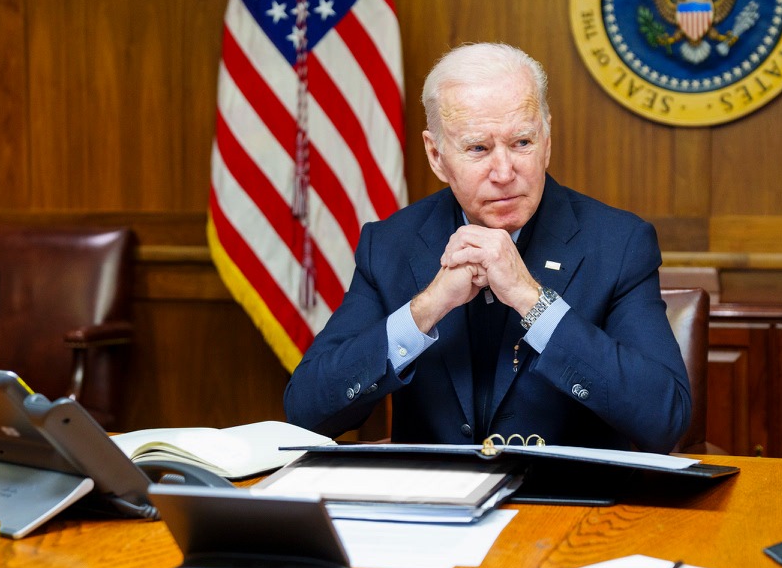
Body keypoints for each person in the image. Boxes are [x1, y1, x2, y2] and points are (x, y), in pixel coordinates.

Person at [283, 42, 691, 453]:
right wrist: (426, 308)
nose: (504, 172)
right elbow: (306, 412)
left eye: (522, 143)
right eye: (478, 148)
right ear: (436, 155)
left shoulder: (618, 244)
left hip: (569, 506)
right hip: (436, 508)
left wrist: (533, 301)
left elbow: (664, 417)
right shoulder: (390, 244)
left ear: (546, 140)